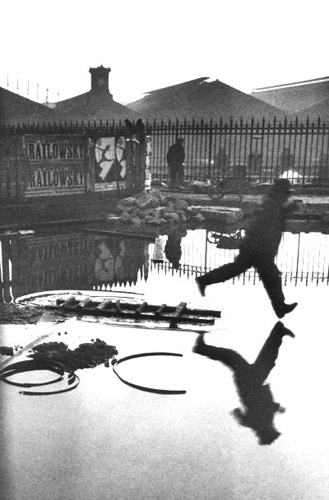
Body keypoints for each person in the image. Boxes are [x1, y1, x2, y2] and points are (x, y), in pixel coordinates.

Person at [195, 178, 298, 319]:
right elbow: (261, 226)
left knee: (261, 275)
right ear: (280, 193)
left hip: (258, 248)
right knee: (269, 276)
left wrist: (286, 209)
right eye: (286, 193)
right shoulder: (270, 205)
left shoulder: (272, 203)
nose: (287, 196)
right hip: (258, 249)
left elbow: (274, 218)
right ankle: (280, 307)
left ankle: (280, 307)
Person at [193, 321, 295, 445]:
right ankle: (279, 331)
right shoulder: (256, 423)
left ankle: (201, 348)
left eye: (273, 431)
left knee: (238, 357)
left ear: (267, 431)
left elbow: (265, 407)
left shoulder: (261, 422)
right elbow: (241, 413)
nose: (274, 428)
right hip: (252, 382)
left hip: (250, 382)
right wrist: (242, 418)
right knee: (265, 359)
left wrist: (278, 408)